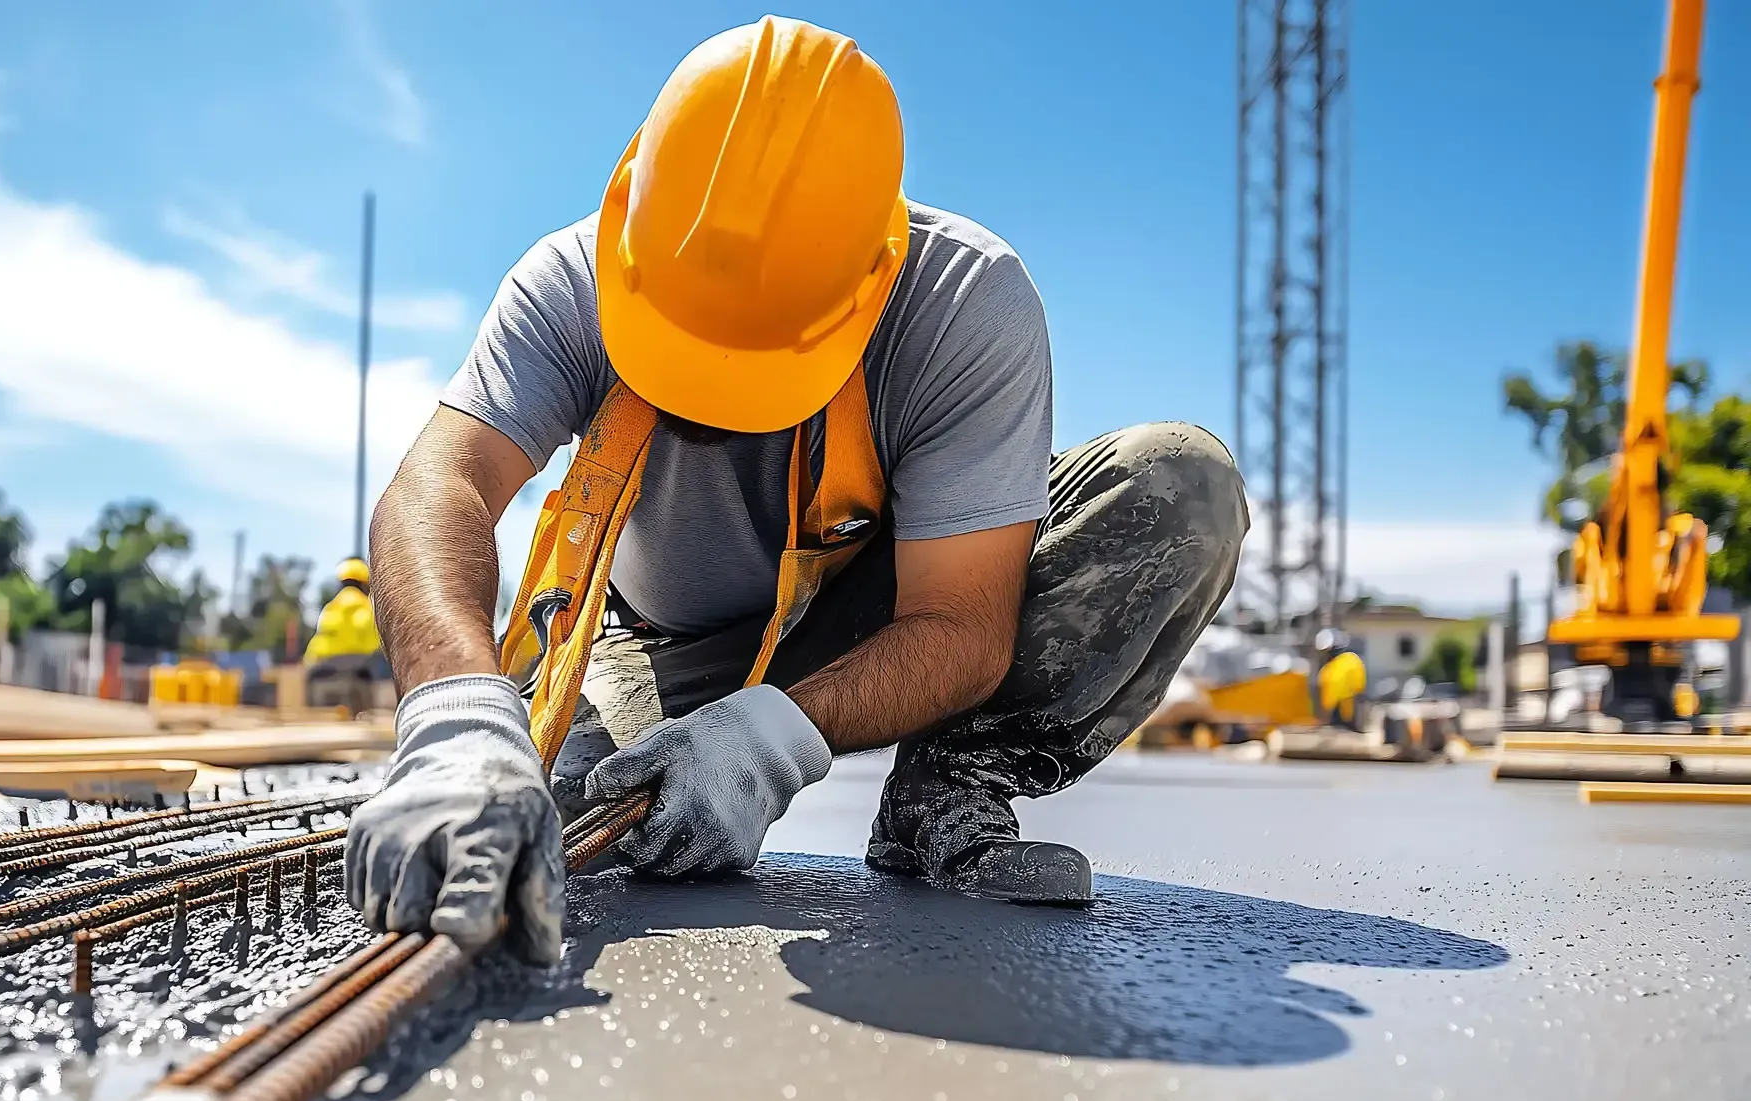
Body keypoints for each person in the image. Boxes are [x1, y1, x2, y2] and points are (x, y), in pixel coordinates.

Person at [345, 15, 1247, 965]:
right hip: (665, 642)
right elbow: (438, 484)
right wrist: (456, 711)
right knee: (569, 823)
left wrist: (769, 739)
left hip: (888, 610)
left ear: (871, 280)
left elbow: (964, 621)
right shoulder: (571, 282)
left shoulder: (964, 303)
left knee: (1178, 487)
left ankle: (951, 788)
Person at [304, 557, 385, 715]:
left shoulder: (329, 609)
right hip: (359, 673)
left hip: (326, 670)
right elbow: (377, 644)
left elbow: (318, 642)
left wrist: (309, 665)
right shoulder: (368, 607)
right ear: (364, 583)